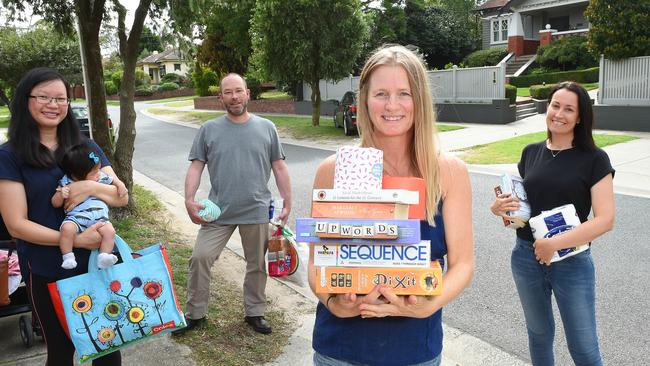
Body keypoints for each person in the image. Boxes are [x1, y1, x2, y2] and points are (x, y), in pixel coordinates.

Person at [309, 45, 475, 366]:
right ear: (364, 100)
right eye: (381, 93)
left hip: (413, 349)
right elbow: (318, 262)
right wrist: (331, 301)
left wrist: (428, 305)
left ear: (420, 101)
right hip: (339, 348)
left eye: (404, 93)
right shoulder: (333, 169)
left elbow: (464, 264)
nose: (392, 105)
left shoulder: (450, 172)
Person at [0, 67, 128, 365]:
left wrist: (84, 186)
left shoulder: (88, 148)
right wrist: (76, 240)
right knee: (59, 353)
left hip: (98, 266)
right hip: (47, 270)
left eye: (60, 98)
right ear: (25, 101)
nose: (53, 105)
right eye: (43, 97)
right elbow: (16, 225)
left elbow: (120, 196)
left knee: (108, 349)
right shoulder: (10, 156)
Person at [490, 81, 614, 366]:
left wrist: (553, 244)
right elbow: (525, 207)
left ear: (580, 117)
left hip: (572, 260)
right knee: (539, 334)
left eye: (569, 109)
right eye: (556, 105)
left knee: (582, 346)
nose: (559, 113)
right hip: (525, 257)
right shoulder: (530, 152)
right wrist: (502, 209)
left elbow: (606, 220)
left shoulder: (594, 159)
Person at [173, 73, 292, 335]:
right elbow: (196, 167)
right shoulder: (209, 129)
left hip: (256, 209)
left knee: (257, 264)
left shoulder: (266, 127)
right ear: (220, 97)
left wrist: (287, 203)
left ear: (248, 93)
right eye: (228, 92)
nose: (234, 97)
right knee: (200, 257)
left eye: (239, 91)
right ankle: (195, 314)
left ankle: (255, 312)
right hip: (218, 210)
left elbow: (279, 167)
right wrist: (189, 200)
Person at [52, 143, 119, 270]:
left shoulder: (100, 177)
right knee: (66, 229)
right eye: (94, 172)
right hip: (77, 218)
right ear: (77, 175)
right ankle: (68, 256)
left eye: (98, 170)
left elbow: (114, 183)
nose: (98, 174)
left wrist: (120, 185)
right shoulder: (66, 182)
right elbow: (55, 203)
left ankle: (104, 256)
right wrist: (61, 194)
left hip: (100, 218)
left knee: (110, 231)